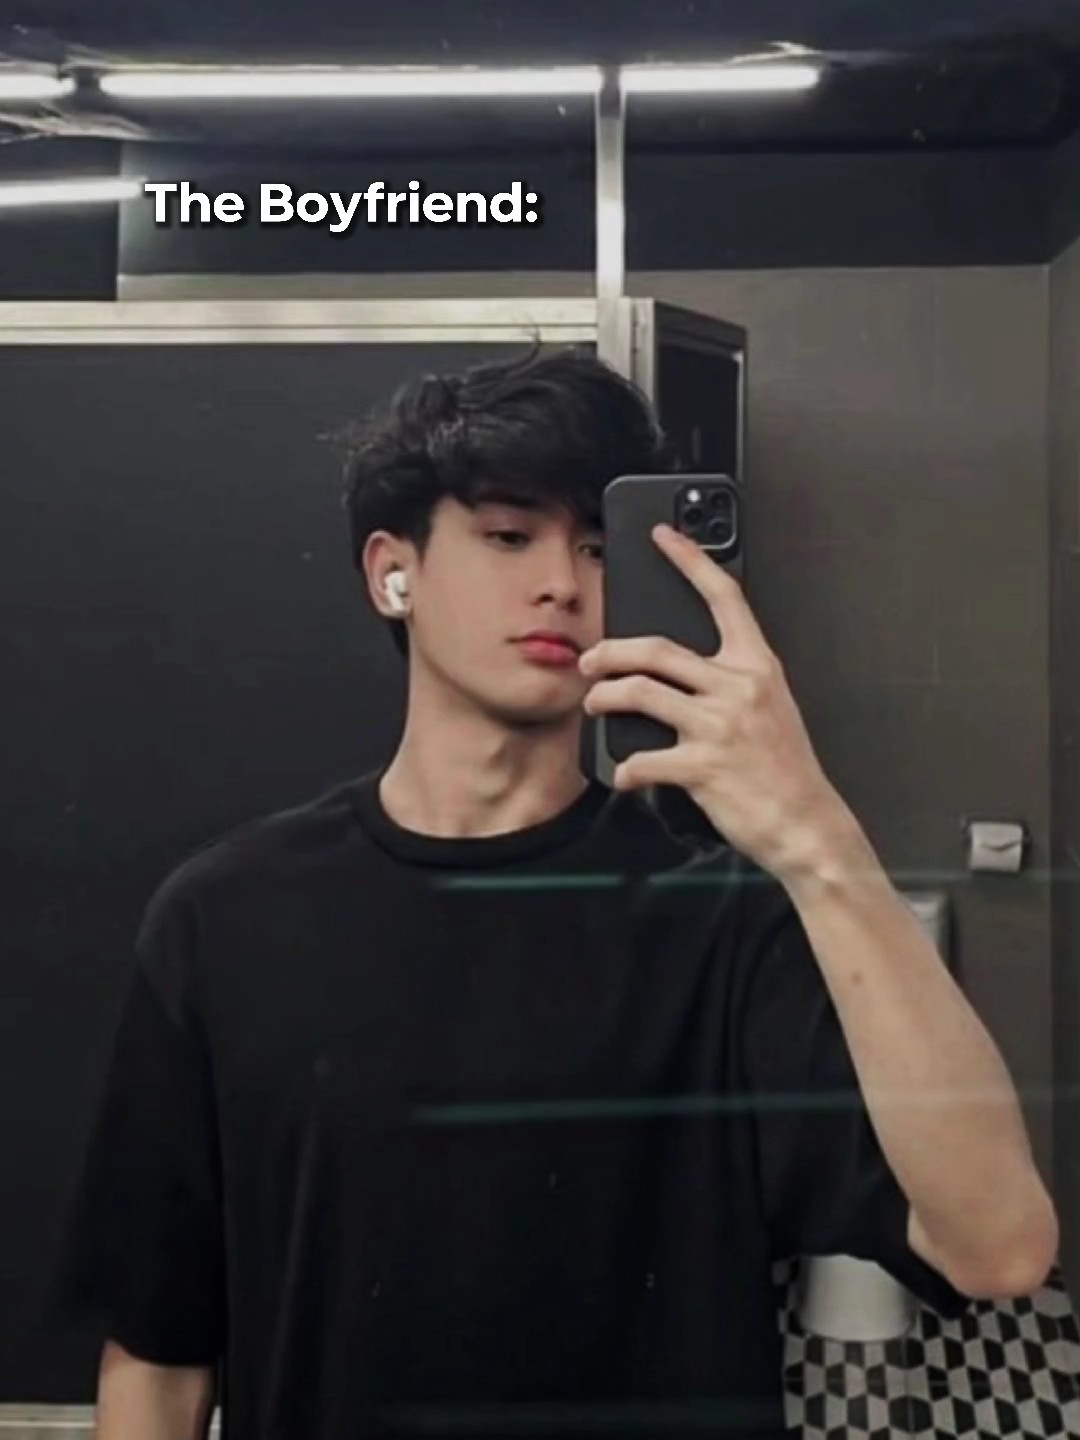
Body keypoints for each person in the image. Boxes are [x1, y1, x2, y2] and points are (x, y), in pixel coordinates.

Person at [56, 347, 1057, 1440]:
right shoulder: (227, 919)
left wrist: (817, 837)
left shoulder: (723, 923)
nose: (562, 585)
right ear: (392, 572)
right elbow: (158, 1353)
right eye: (508, 535)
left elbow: (997, 1245)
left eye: (596, 545)